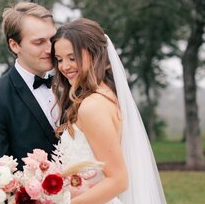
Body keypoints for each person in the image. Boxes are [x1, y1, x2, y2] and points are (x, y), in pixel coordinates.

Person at [51, 18, 167, 204]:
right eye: (59, 59)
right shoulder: (109, 95)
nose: (64, 66)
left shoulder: (92, 106)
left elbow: (118, 181)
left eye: (72, 58)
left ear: (95, 54)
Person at [0, 2, 58, 169]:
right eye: (39, 42)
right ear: (14, 45)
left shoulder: (69, 86)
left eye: (53, 39)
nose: (50, 49)